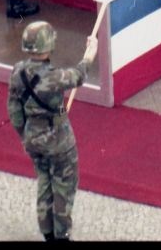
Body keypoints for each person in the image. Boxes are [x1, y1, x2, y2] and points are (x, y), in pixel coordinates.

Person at [9, 20, 98, 243]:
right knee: (63, 187)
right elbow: (78, 75)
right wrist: (89, 54)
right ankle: (62, 235)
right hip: (59, 142)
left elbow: (14, 110)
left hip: (33, 139)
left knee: (44, 181)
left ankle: (47, 232)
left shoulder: (18, 72)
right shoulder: (54, 76)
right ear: (48, 46)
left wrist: (24, 135)